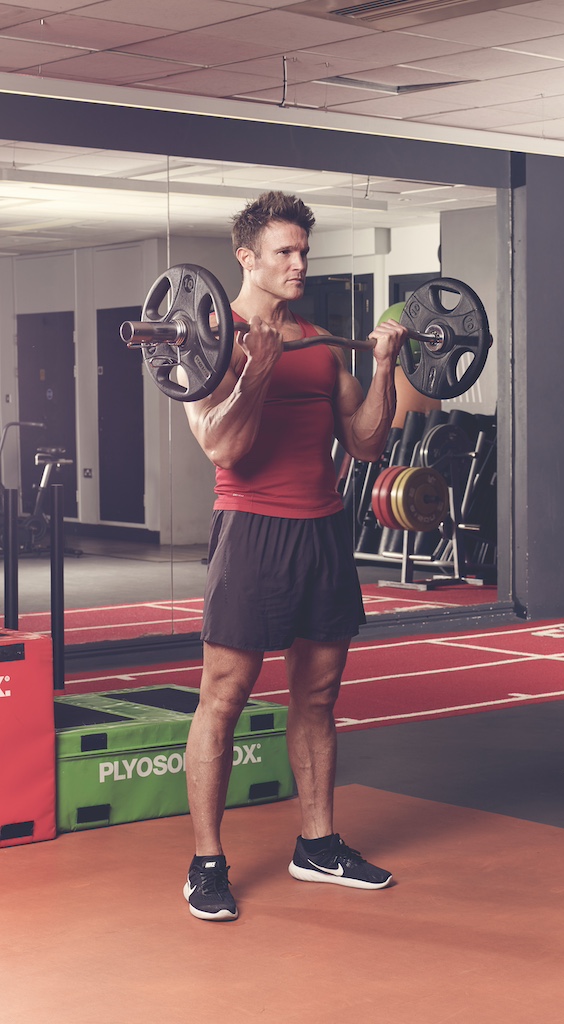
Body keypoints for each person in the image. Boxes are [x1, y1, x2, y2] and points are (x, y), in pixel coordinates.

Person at [181, 191, 408, 921]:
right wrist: (254, 370)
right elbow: (223, 446)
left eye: (304, 250)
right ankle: (206, 863)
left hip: (323, 531)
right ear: (246, 258)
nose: (299, 262)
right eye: (284, 251)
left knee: (317, 696)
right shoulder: (209, 340)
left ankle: (317, 844)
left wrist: (382, 370)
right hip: (251, 531)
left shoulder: (315, 340)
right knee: (224, 698)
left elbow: (368, 444)